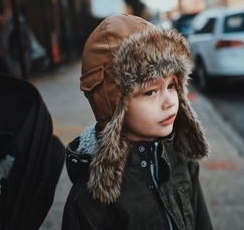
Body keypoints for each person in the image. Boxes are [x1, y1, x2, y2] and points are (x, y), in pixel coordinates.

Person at [62, 14, 213, 230]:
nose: (170, 101)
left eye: (171, 85)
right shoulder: (91, 196)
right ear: (115, 106)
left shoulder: (181, 158)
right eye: (151, 91)